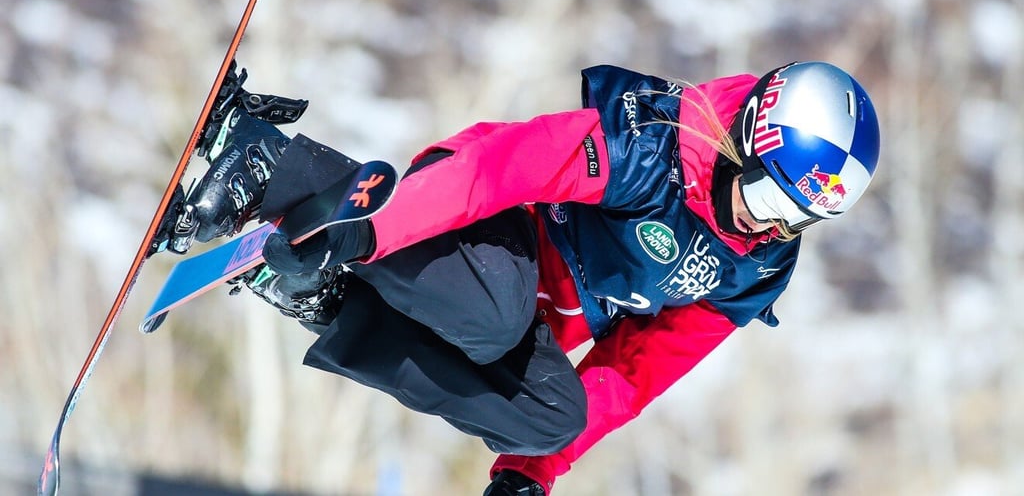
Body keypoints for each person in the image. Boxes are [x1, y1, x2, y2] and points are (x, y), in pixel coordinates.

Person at [175, 60, 880, 494]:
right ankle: (270, 163)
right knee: (494, 311)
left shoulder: (755, 265)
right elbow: (502, 167)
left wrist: (527, 474)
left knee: (552, 417)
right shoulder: (653, 146)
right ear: (747, 136)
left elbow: (636, 372)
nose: (766, 226)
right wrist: (371, 227)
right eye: (764, 199)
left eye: (794, 219)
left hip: (522, 316)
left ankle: (326, 299)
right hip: (476, 221)